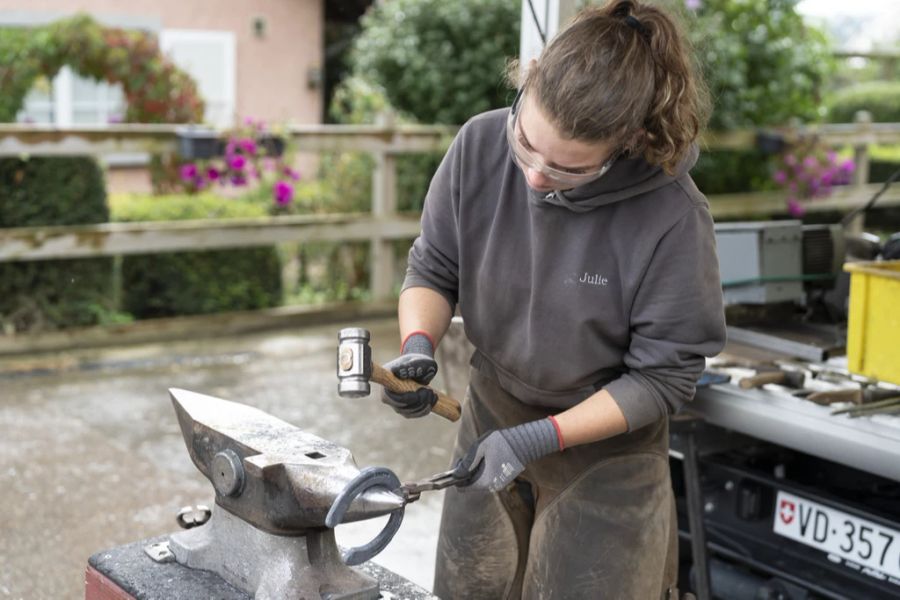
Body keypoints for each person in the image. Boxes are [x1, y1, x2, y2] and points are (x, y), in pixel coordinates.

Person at [380, 1, 727, 598]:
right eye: (526, 146)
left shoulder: (672, 217)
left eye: (568, 171)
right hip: (491, 419)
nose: (536, 178)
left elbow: (662, 379)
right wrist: (417, 347)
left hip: (606, 452)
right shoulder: (478, 145)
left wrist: (544, 436)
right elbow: (433, 267)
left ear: (630, 139)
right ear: (529, 78)